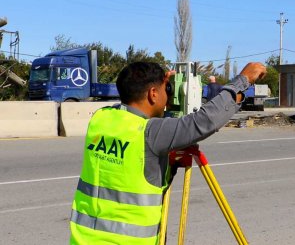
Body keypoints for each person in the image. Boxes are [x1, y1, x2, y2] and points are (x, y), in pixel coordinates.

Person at [69, 61, 266, 245]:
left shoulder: (101, 119)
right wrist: (242, 81)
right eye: (166, 89)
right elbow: (203, 122)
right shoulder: (149, 133)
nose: (168, 94)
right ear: (153, 93)